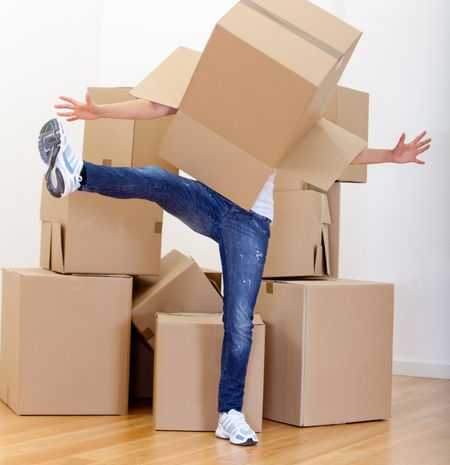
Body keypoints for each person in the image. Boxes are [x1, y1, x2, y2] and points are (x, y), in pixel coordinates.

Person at [37, 92, 431, 446]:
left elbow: (338, 154)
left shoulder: (294, 121)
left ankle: (230, 414)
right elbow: (162, 104)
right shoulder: (227, 89)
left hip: (251, 221)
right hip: (209, 199)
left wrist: (389, 156)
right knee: (158, 178)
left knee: (239, 319)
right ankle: (79, 174)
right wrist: (99, 111)